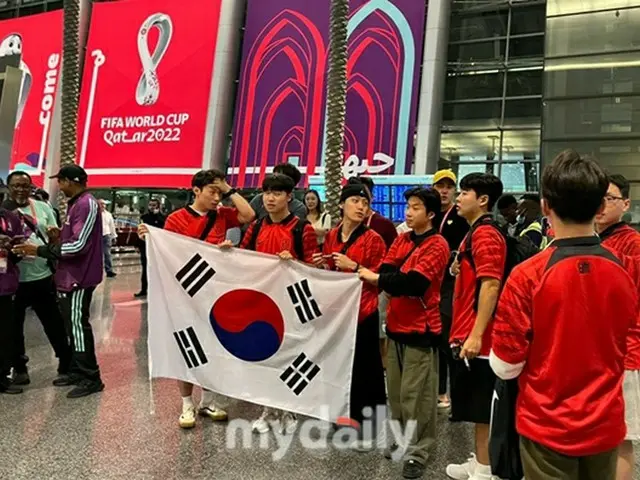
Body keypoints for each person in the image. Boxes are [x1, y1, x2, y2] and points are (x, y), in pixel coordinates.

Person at [490, 150, 640, 480]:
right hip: (605, 421)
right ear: (601, 207)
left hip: (546, 425)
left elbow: (505, 364)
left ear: (545, 206)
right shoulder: (626, 268)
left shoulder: (527, 275)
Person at [139, 169, 255, 428]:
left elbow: (249, 215)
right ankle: (187, 403)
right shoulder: (176, 219)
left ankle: (208, 400)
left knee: (213, 348)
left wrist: (229, 190)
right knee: (187, 349)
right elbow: (170, 252)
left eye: (219, 192)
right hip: (185, 297)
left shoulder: (223, 215)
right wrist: (150, 238)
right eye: (212, 191)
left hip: (215, 296)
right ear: (196, 191)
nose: (216, 197)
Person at [360, 187, 449, 480]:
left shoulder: (437, 245)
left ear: (431, 214)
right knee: (396, 395)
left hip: (421, 331)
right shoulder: (402, 239)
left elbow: (413, 284)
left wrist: (379, 277)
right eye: (408, 206)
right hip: (397, 326)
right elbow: (390, 273)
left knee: (418, 397)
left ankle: (419, 451)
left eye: (416, 208)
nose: (409, 212)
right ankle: (400, 439)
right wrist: (386, 278)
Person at [13, 165, 105, 398]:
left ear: (70, 181)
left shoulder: (86, 204)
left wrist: (40, 250)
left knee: (77, 327)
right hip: (69, 276)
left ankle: (90, 377)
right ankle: (76, 370)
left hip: (79, 278)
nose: (59, 186)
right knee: (72, 328)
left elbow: (79, 245)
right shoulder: (77, 203)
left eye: (61, 182)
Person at [240, 173, 319, 434]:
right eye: (267, 192)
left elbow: (313, 268)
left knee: (291, 356)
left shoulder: (301, 228)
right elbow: (244, 257)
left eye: (276, 193)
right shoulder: (256, 226)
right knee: (266, 356)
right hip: (262, 303)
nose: (270, 198)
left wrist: (294, 264)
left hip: (291, 305)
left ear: (289, 196)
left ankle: (290, 408)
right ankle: (268, 410)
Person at [314, 183, 387, 449]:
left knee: (365, 371)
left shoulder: (374, 239)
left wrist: (354, 266)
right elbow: (333, 270)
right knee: (340, 367)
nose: (361, 207)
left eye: (365, 203)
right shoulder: (332, 235)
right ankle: (343, 418)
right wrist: (323, 265)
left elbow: (379, 276)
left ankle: (368, 427)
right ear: (342, 205)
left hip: (363, 312)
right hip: (338, 315)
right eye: (355, 201)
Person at [446, 173, 506, 480]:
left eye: (465, 192)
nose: (458, 197)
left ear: (482, 200)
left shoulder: (485, 234)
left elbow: (492, 284)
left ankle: (485, 471)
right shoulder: (474, 233)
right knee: (475, 408)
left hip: (484, 340)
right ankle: (480, 461)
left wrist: (477, 334)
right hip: (471, 334)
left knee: (483, 408)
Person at [4, 172, 71, 386]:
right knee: (14, 327)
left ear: (31, 187)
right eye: (16, 186)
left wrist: (54, 237)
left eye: (25, 185)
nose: (21, 190)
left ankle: (66, 362)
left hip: (42, 276)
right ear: (9, 187)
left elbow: (55, 237)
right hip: (13, 280)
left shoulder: (43, 208)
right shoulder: (3, 211)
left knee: (54, 323)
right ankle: (20, 368)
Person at [594, 173, 640, 480]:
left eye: (609, 199)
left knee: (621, 438)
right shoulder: (593, 237)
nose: (601, 205)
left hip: (624, 351)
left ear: (625, 204)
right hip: (593, 352)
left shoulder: (632, 243)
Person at [430, 169, 469, 410]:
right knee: (434, 339)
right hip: (429, 284)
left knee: (447, 338)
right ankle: (439, 389)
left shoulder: (459, 216)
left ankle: (451, 392)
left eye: (448, 187)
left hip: (450, 285)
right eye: (439, 186)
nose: (443, 191)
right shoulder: (429, 214)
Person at [0, 205, 23, 394]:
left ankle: (2, 377)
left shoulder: (11, 219)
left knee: (4, 334)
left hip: (4, 285)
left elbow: (18, 254)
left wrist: (13, 248)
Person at [135, 198, 165, 298]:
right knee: (145, 268)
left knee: (157, 269)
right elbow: (140, 231)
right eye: (150, 205)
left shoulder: (163, 218)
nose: (152, 207)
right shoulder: (144, 217)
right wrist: (137, 245)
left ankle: (157, 290)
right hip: (145, 245)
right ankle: (144, 289)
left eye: (154, 205)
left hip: (157, 247)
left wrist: (158, 215)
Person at [99, 199, 117, 278]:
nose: (103, 205)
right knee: (96, 255)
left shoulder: (108, 214)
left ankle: (109, 271)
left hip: (106, 235)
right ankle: (96, 271)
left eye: (104, 204)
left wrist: (114, 236)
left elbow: (112, 226)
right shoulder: (95, 214)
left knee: (107, 254)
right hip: (97, 237)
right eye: (101, 204)